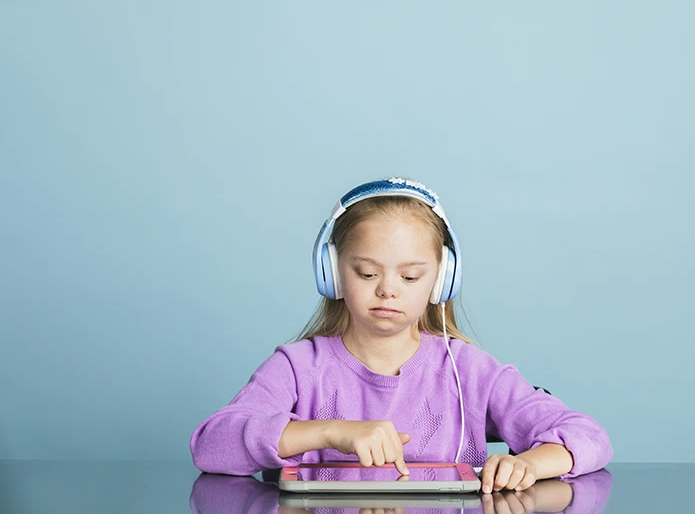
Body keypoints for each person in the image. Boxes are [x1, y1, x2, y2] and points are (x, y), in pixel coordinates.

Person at [190, 177, 613, 494]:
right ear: (332, 273)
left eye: (410, 276)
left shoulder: (469, 371)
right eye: (368, 272)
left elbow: (588, 435)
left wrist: (532, 465)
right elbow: (212, 445)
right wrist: (330, 432)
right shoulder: (298, 367)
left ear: (441, 281)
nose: (388, 289)